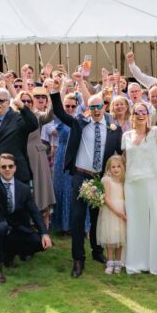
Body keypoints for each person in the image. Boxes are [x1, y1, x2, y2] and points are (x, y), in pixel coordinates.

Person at [51, 85, 124, 277]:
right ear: (87, 109)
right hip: (81, 176)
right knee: (77, 217)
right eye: (92, 107)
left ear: (104, 107)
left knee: (96, 218)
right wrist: (53, 91)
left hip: (100, 179)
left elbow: (121, 153)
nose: (97, 110)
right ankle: (78, 259)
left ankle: (97, 251)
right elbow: (59, 111)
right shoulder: (79, 123)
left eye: (99, 106)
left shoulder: (114, 129)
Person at [0, 142, 53, 283]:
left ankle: (9, 255)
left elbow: (34, 212)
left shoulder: (24, 189)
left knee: (40, 243)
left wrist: (44, 233)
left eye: (10, 166)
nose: (7, 169)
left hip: (15, 229)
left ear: (15, 168)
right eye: (3, 167)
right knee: (1, 228)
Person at [122, 102, 157, 275]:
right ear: (133, 115)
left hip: (150, 182)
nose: (141, 114)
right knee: (135, 220)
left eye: (144, 111)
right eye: (138, 112)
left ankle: (153, 259)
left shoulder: (155, 133)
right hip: (131, 183)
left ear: (148, 115)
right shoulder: (126, 135)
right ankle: (135, 259)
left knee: (152, 220)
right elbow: (124, 159)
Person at [0, 88, 38, 183]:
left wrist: (23, 107)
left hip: (14, 175)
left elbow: (33, 124)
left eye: (1, 100)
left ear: (8, 102)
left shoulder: (18, 118)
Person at [49, 91, 79, 235]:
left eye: (73, 106)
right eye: (67, 106)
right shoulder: (59, 119)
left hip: (75, 157)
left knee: (71, 189)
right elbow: (55, 110)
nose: (70, 109)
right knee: (60, 188)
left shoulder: (79, 119)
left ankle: (72, 225)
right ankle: (60, 224)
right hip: (61, 155)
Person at [25, 88, 56, 220]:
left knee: (40, 190)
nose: (26, 103)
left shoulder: (37, 116)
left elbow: (50, 115)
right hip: (20, 158)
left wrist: (56, 91)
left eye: (29, 101)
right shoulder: (13, 117)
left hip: (36, 157)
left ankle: (44, 230)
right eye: (23, 101)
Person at [97, 155, 127, 275]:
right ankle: (110, 262)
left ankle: (118, 262)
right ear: (108, 169)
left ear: (122, 168)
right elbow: (107, 199)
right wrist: (117, 212)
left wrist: (124, 212)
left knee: (120, 238)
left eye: (118, 166)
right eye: (113, 167)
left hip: (122, 210)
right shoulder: (106, 180)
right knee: (110, 238)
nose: (116, 169)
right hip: (111, 211)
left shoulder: (123, 181)